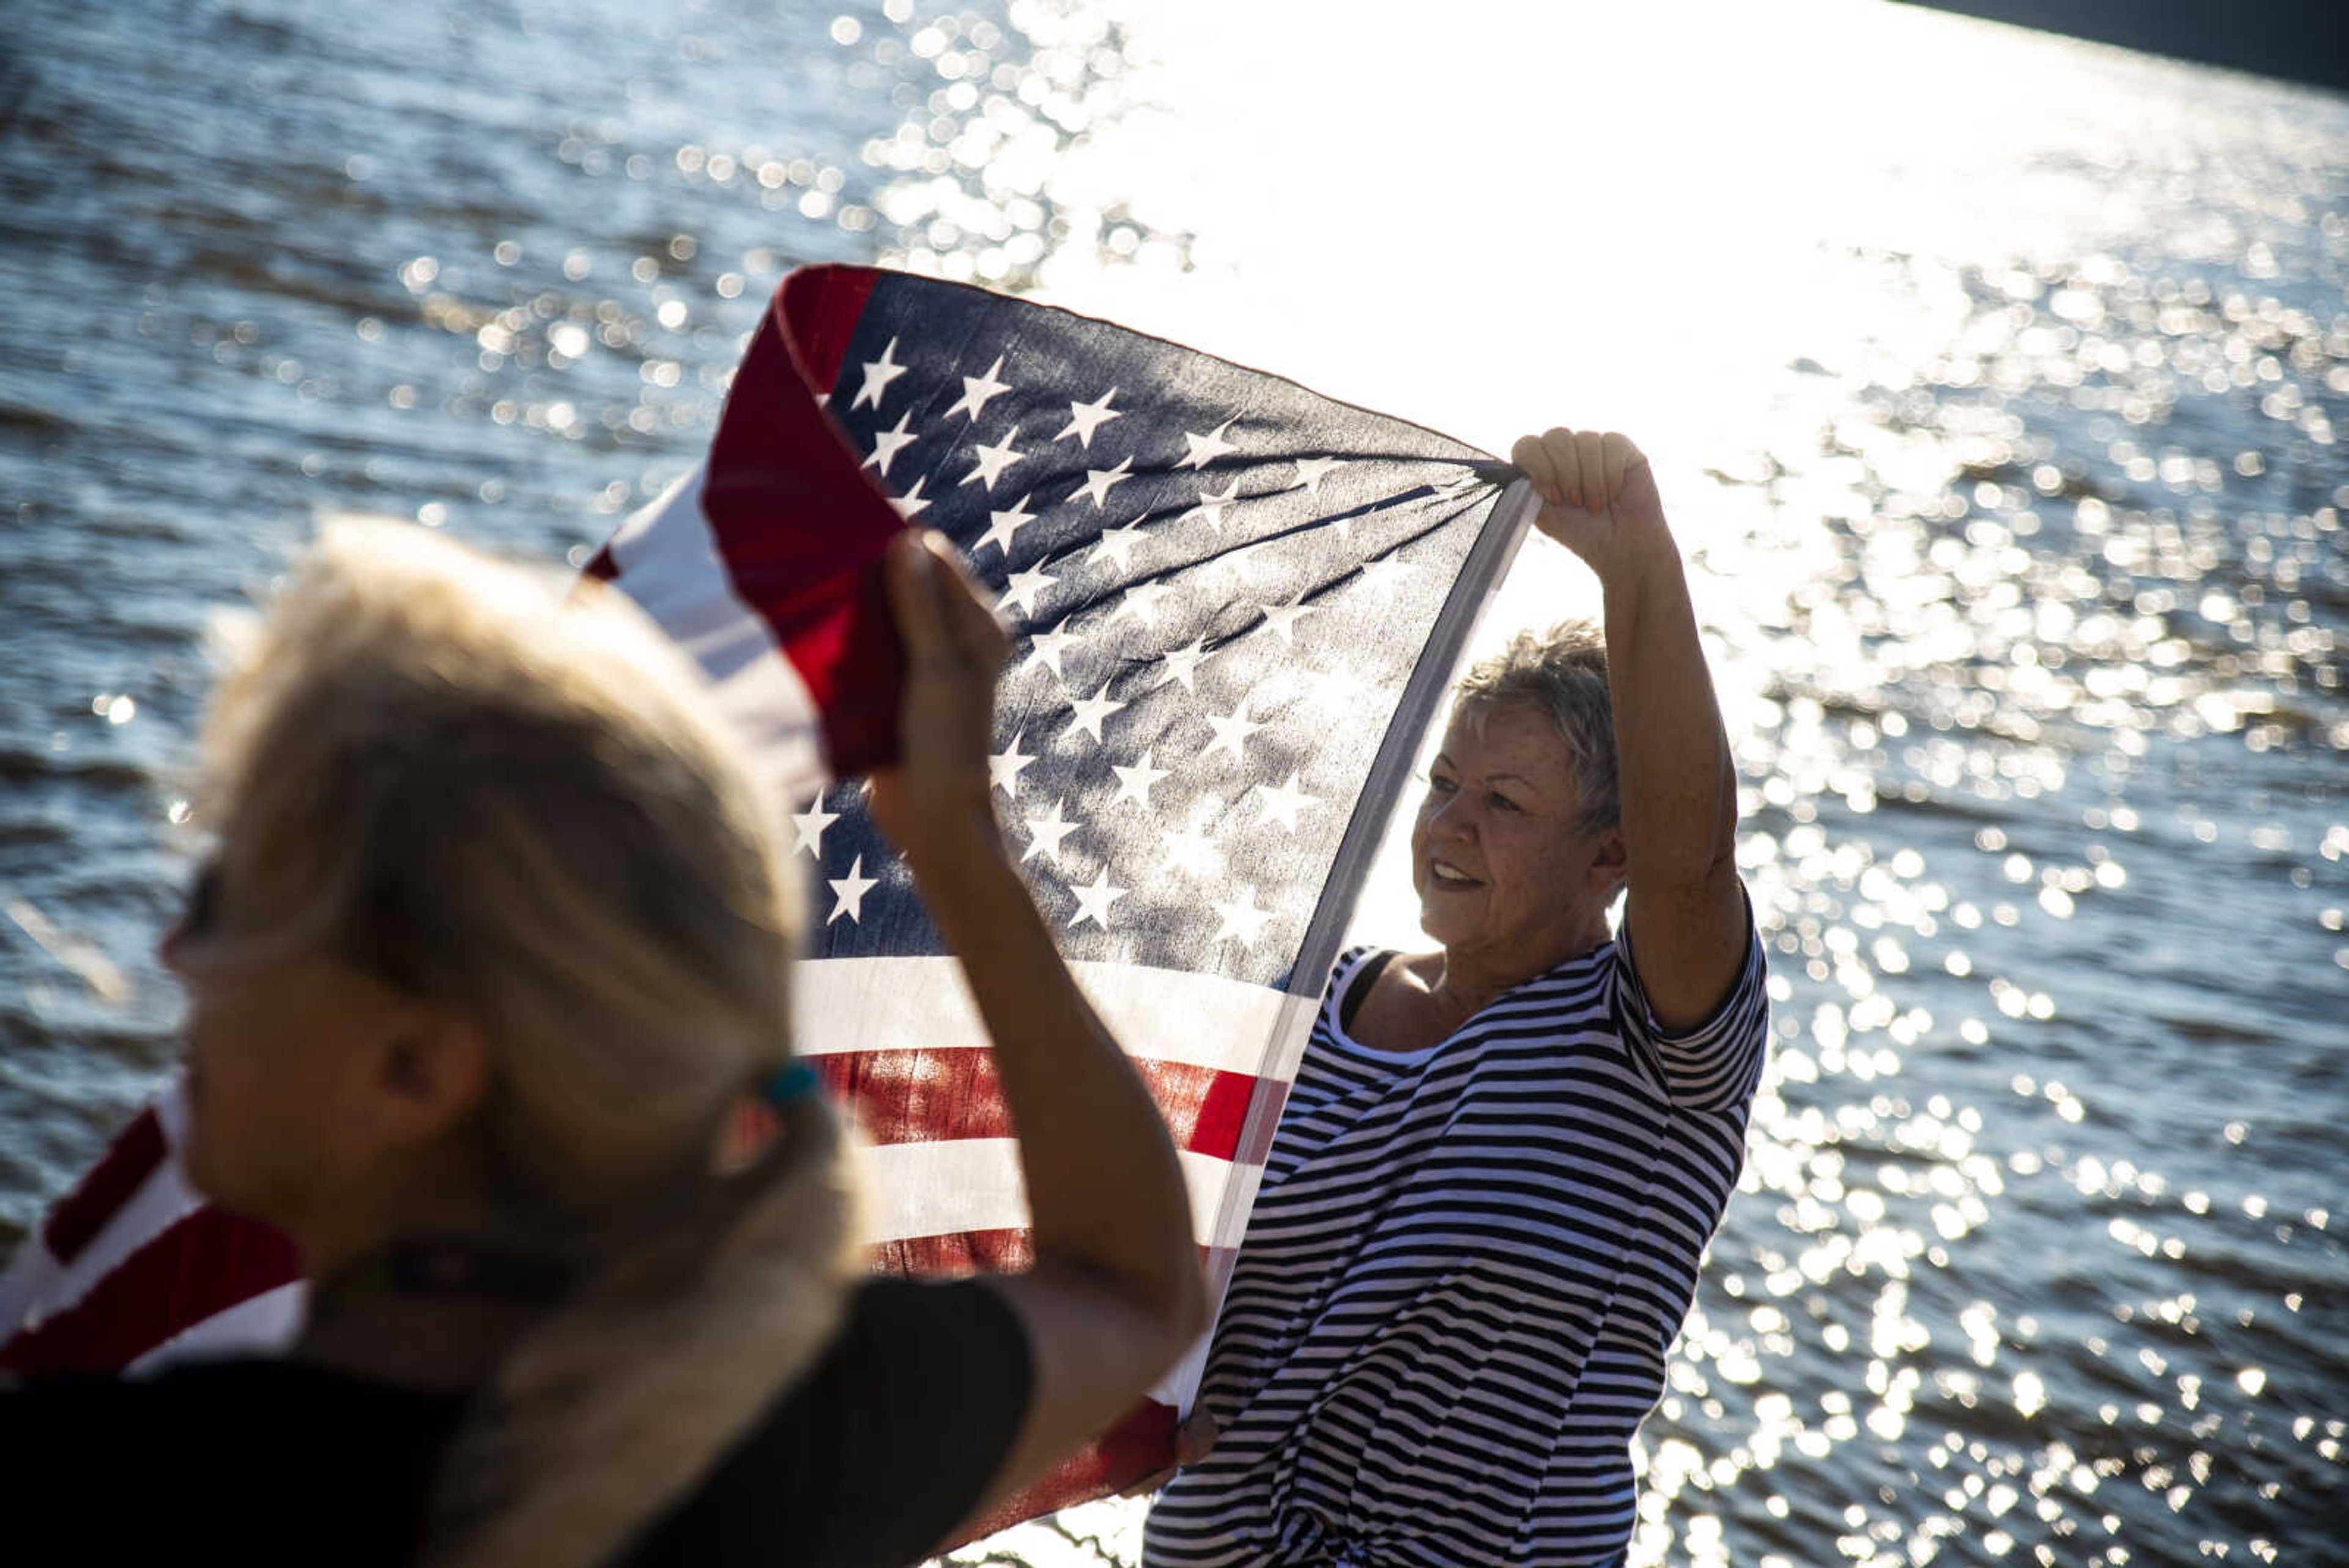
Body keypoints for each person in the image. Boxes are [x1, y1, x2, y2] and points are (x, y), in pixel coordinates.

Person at [0, 519, 1206, 1568]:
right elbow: (1135, 1284)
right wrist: (953, 840)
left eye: (226, 904)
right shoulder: (794, 1429)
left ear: (415, 1070)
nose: (176, 952)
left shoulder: (129, 1493)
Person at [1141, 429, 1770, 1568]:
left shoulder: (1652, 1046)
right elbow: (1155, 1270)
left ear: (1608, 851)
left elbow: (1695, 864)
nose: (1448, 829)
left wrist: (1640, 569)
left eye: (1507, 804)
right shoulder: (1311, 1008)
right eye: (1444, 785)